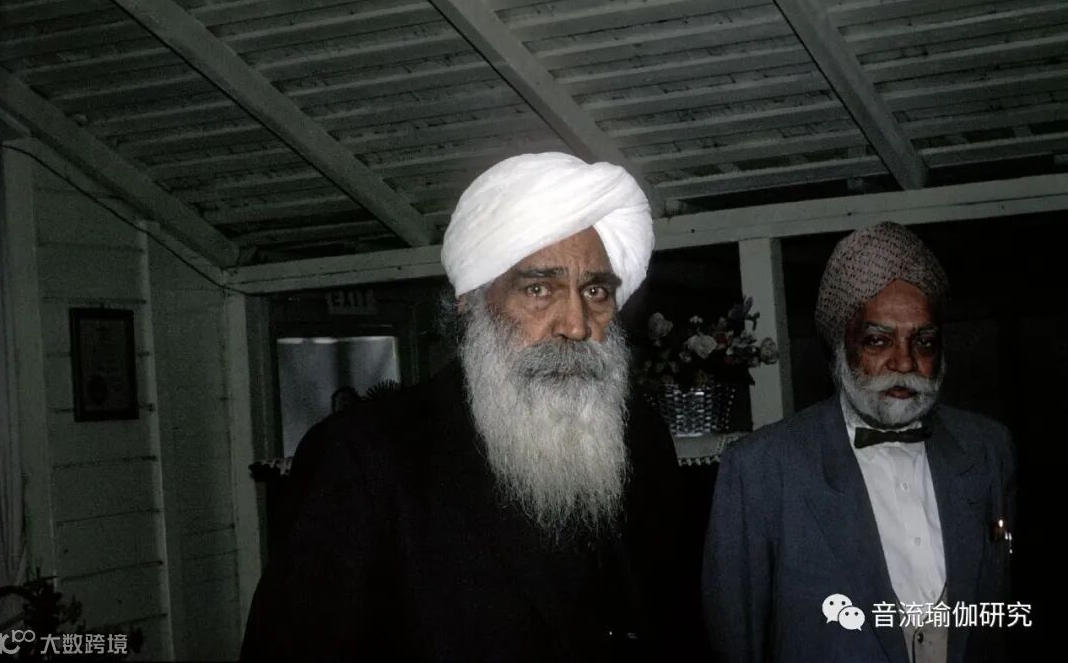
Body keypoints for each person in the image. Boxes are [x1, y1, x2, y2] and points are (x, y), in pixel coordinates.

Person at [242, 152, 686, 660]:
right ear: (470, 302)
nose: (577, 324)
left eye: (596, 291)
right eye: (539, 289)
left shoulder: (642, 439)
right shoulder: (365, 457)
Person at [703, 222, 1015, 663]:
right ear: (841, 347)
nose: (904, 361)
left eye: (924, 342)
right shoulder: (761, 468)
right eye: (878, 340)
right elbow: (736, 640)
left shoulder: (987, 448)